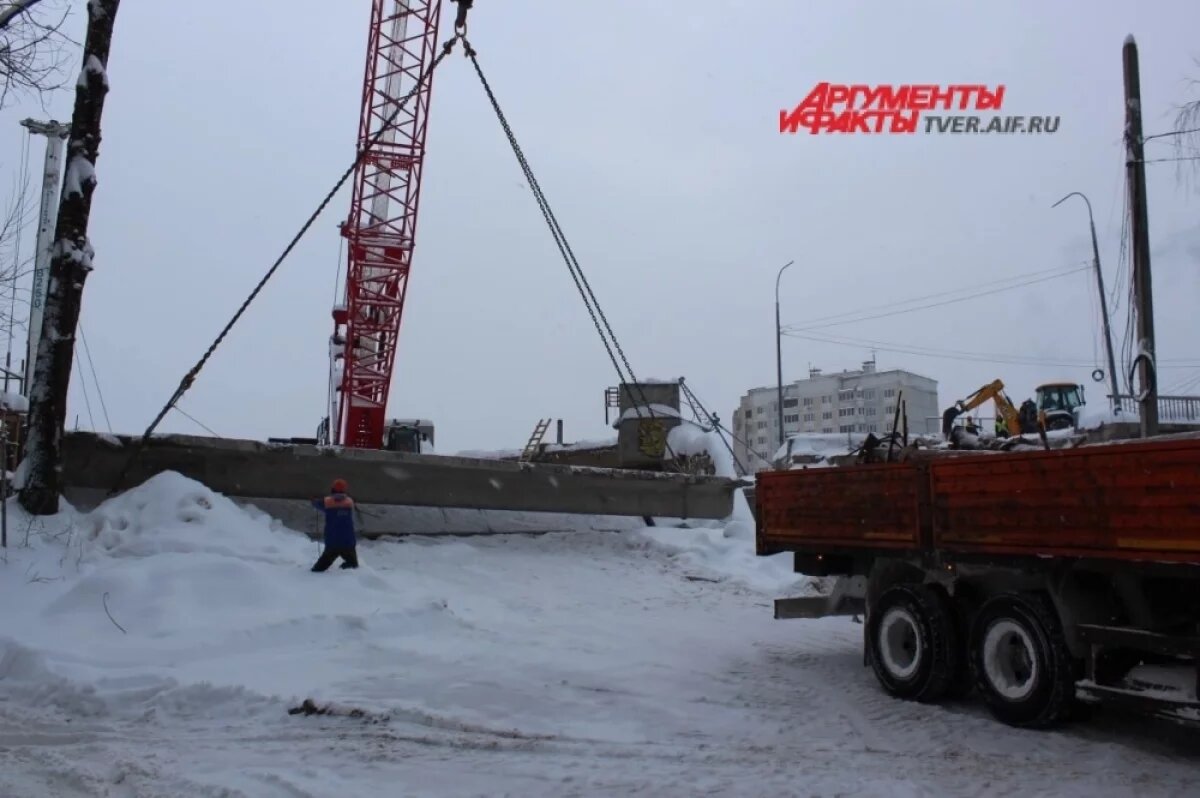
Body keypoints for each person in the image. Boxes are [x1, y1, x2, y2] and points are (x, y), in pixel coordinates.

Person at [310, 478, 361, 571]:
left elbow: (316, 504)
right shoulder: (349, 502)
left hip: (332, 541)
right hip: (348, 541)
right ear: (344, 490)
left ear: (332, 489)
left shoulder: (326, 502)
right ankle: (341, 572)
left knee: (318, 569)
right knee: (353, 565)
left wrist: (313, 500)